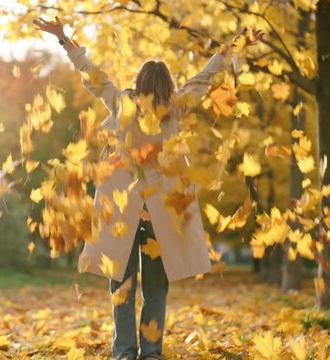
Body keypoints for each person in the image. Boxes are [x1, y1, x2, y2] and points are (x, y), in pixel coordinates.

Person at [33, 16, 262, 360]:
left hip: (121, 210)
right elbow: (205, 77)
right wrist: (236, 46)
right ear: (168, 84)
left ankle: (124, 353)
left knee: (121, 289)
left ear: (138, 83)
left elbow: (93, 76)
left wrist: (64, 38)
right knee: (156, 289)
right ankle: (150, 353)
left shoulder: (123, 103)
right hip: (161, 213)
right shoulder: (176, 106)